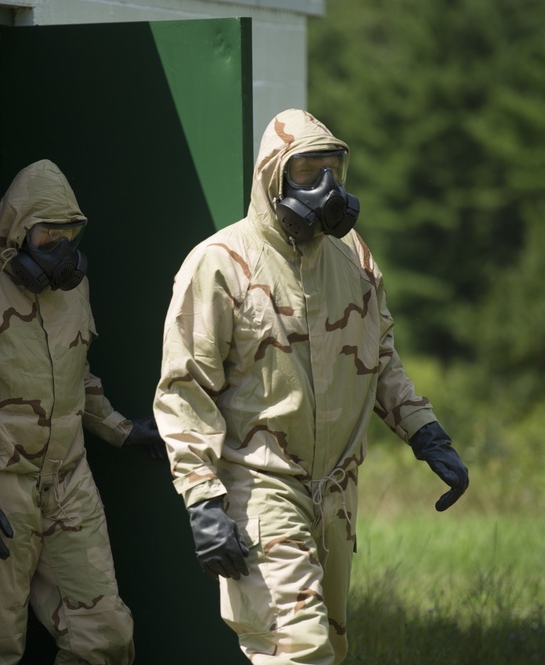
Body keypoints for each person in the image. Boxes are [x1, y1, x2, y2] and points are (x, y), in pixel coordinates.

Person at [152, 109, 469, 664]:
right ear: (274, 178)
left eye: (334, 170)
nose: (326, 188)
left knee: (329, 649)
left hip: (337, 495)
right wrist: (203, 499)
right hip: (262, 489)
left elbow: (381, 357)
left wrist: (427, 433)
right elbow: (185, 392)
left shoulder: (355, 260)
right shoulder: (220, 265)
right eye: (307, 172)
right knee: (299, 651)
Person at [0, 159, 163, 664]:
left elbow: (78, 375)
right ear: (17, 231)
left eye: (70, 235)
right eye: (48, 236)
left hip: (68, 482)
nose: (61, 250)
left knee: (104, 635)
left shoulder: (73, 289)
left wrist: (121, 430)